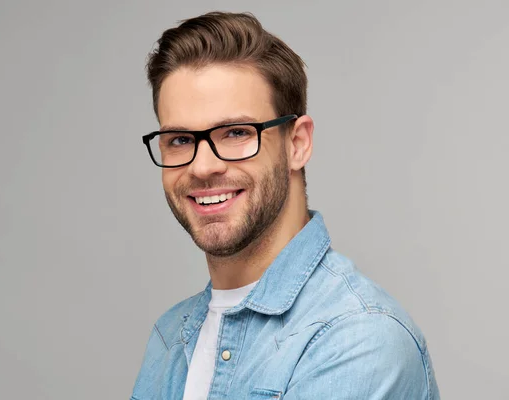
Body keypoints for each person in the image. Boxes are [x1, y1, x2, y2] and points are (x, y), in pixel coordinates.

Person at [132, 11, 439, 400]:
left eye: (236, 133)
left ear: (297, 144)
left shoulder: (360, 337)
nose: (202, 166)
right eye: (179, 140)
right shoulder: (169, 338)